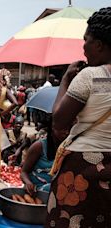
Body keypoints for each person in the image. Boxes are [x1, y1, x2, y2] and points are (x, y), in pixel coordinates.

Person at [47, 7, 111, 227]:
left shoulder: (90, 76)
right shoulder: (100, 81)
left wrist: (65, 79)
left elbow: (58, 122)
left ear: (99, 45)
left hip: (83, 171)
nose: (83, 48)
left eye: (86, 40)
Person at [20, 127, 55, 194]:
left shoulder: (67, 148)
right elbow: (23, 172)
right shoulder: (39, 146)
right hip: (36, 190)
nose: (66, 132)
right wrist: (28, 182)